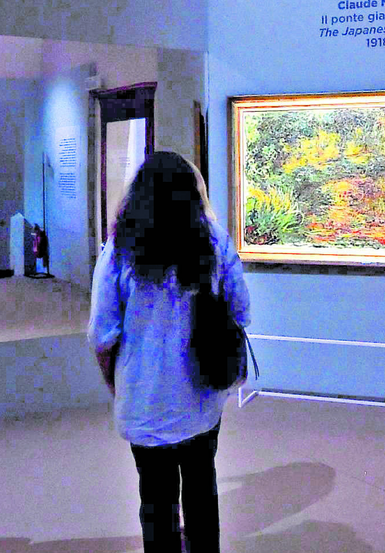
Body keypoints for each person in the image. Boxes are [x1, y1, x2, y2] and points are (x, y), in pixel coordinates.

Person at [88, 151, 250, 553]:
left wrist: (117, 384)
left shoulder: (120, 249)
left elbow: (102, 334)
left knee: (156, 499)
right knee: (201, 488)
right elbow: (241, 310)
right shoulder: (215, 242)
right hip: (202, 395)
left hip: (145, 400)